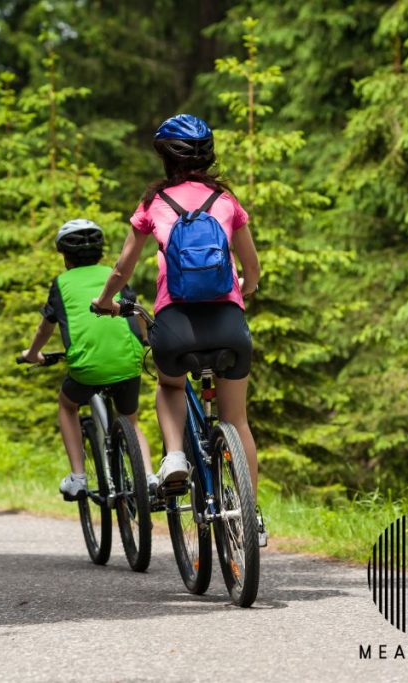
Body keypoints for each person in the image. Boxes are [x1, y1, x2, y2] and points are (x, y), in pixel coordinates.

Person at [90, 114, 266, 544]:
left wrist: (105, 301)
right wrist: (244, 288)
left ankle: (173, 457)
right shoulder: (226, 199)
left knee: (170, 385)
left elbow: (122, 267)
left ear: (165, 158)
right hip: (228, 325)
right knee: (237, 419)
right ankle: (251, 514)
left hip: (176, 326)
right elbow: (252, 268)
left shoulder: (153, 202)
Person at [21, 219, 154, 499]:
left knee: (67, 404)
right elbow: (135, 311)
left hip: (86, 368)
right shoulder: (113, 274)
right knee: (131, 420)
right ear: (100, 252)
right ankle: (149, 477)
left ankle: (78, 477)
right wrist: (144, 339)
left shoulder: (61, 283)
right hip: (128, 361)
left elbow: (46, 327)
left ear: (65, 256)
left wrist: (33, 354)